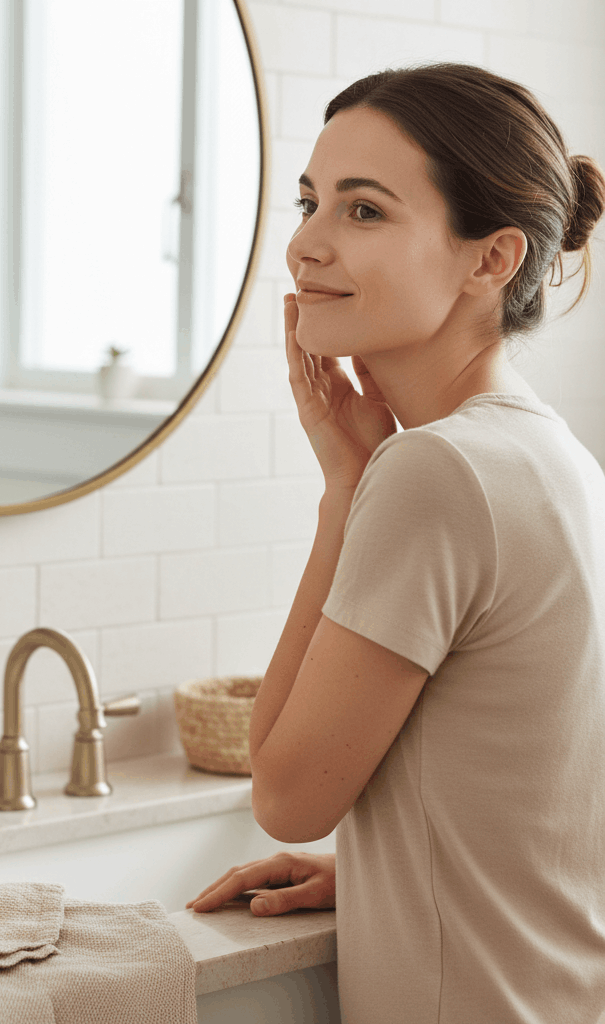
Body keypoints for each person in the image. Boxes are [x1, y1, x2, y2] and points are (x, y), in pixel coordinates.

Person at [187, 63, 605, 1023]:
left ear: (491, 259)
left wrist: (346, 490)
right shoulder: (554, 455)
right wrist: (395, 866)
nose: (304, 245)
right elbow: (538, 782)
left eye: (364, 212)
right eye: (310, 202)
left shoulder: (435, 475)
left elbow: (285, 793)